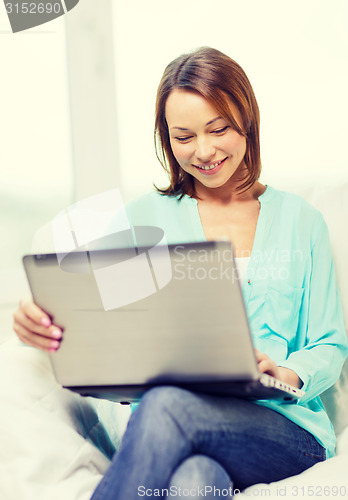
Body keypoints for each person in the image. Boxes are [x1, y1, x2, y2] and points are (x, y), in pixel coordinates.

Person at [13, 47, 348, 499]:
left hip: (283, 432)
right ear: (166, 139)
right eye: (183, 136)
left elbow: (329, 343)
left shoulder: (301, 220)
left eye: (218, 129)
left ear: (246, 121)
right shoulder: (142, 221)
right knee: (195, 483)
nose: (204, 151)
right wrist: (40, 316)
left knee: (166, 404)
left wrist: (283, 372)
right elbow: (96, 309)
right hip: (176, 430)